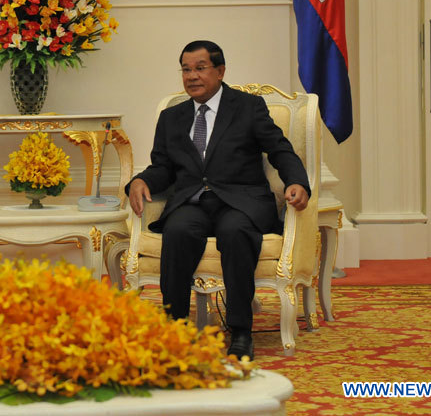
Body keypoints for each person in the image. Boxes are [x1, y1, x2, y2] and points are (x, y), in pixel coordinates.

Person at [127, 40, 310, 361]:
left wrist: (297, 182)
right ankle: (176, 329)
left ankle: (240, 332)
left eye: (200, 68)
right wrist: (140, 180)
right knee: (179, 231)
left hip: (241, 201)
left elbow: (280, 149)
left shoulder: (248, 107)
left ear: (220, 71)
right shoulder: (172, 117)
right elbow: (162, 168)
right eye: (186, 70)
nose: (192, 76)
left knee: (235, 233)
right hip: (193, 203)